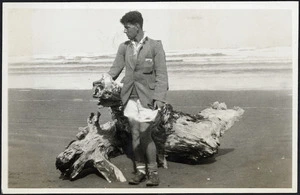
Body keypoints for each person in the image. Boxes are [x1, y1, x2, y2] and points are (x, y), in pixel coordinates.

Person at [94, 11, 168, 186]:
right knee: (135, 134)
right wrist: (102, 80)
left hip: (148, 98)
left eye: (127, 28)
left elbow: (162, 75)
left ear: (137, 26)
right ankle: (140, 171)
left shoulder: (155, 46)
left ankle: (153, 172)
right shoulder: (124, 47)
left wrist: (159, 97)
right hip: (129, 97)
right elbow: (114, 70)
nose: (125, 31)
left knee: (145, 134)